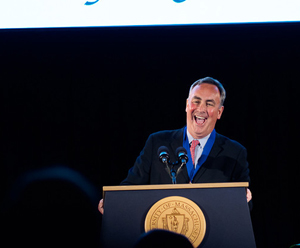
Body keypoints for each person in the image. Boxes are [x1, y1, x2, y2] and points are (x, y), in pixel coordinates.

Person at [98, 76, 251, 213]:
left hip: (212, 240)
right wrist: (114, 202)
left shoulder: (235, 153)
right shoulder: (157, 143)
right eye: (196, 101)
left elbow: (245, 206)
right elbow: (131, 186)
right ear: (187, 105)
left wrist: (246, 200)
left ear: (219, 112)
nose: (201, 109)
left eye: (209, 104)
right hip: (163, 238)